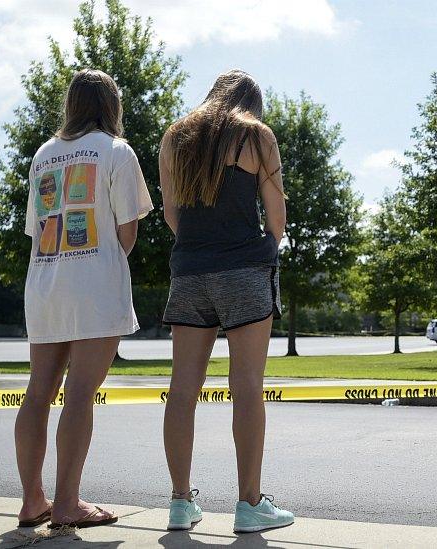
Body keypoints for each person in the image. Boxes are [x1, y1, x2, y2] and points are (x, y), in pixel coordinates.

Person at [16, 69, 153, 529]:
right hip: (93, 287)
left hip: (45, 284)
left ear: (70, 104)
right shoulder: (117, 151)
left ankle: (33, 500)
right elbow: (127, 231)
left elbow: (36, 230)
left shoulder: (42, 155)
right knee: (79, 395)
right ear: (112, 106)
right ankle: (68, 503)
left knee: (38, 394)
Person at [159, 70, 292, 533]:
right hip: (245, 272)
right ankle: (249, 505)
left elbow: (172, 212)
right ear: (252, 103)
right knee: (247, 386)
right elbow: (275, 214)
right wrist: (264, 250)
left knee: (182, 390)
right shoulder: (257, 135)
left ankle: (180, 503)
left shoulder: (176, 137)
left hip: (190, 272)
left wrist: (202, 247)